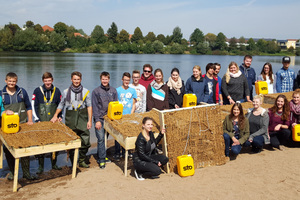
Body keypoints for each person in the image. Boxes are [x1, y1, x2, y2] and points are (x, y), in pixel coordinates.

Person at [51, 71, 92, 168]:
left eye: (78, 79)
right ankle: (73, 162)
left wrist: (89, 120)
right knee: (71, 141)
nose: (76, 81)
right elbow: (61, 105)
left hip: (82, 116)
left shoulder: (86, 92)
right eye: (75, 79)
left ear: (81, 80)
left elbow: (89, 107)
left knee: (86, 141)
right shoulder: (65, 92)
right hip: (70, 117)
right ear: (71, 79)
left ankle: (81, 160)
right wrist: (55, 115)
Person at [0, 72, 35, 180]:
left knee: (25, 148)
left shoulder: (22, 92)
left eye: (13, 81)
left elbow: (28, 106)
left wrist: (30, 120)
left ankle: (26, 173)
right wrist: (5, 111)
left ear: (16, 81)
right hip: (8, 127)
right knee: (8, 149)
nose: (11, 83)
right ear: (6, 81)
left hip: (23, 124)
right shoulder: (1, 94)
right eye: (9, 81)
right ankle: (12, 172)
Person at [31, 72, 62, 174]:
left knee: (55, 143)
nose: (48, 83)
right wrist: (37, 119)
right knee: (41, 144)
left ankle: (54, 164)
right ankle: (40, 166)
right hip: (41, 121)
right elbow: (33, 106)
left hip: (53, 122)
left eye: (49, 80)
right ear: (43, 81)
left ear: (52, 80)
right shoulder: (37, 91)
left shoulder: (57, 91)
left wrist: (59, 117)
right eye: (45, 81)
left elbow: (60, 105)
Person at [92, 71, 118, 169]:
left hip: (109, 120)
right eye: (103, 79)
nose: (104, 81)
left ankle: (101, 155)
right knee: (101, 139)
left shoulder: (114, 91)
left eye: (106, 79)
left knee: (104, 139)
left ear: (109, 79)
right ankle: (102, 160)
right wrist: (97, 120)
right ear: (100, 79)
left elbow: (116, 105)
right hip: (100, 119)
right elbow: (95, 107)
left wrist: (115, 119)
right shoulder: (96, 91)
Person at [115, 72, 137, 160]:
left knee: (127, 134)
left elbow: (134, 103)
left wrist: (131, 113)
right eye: (125, 80)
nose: (126, 82)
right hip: (120, 116)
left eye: (128, 80)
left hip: (128, 115)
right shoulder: (117, 90)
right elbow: (116, 103)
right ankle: (117, 153)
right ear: (122, 80)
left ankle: (126, 152)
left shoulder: (132, 90)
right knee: (118, 134)